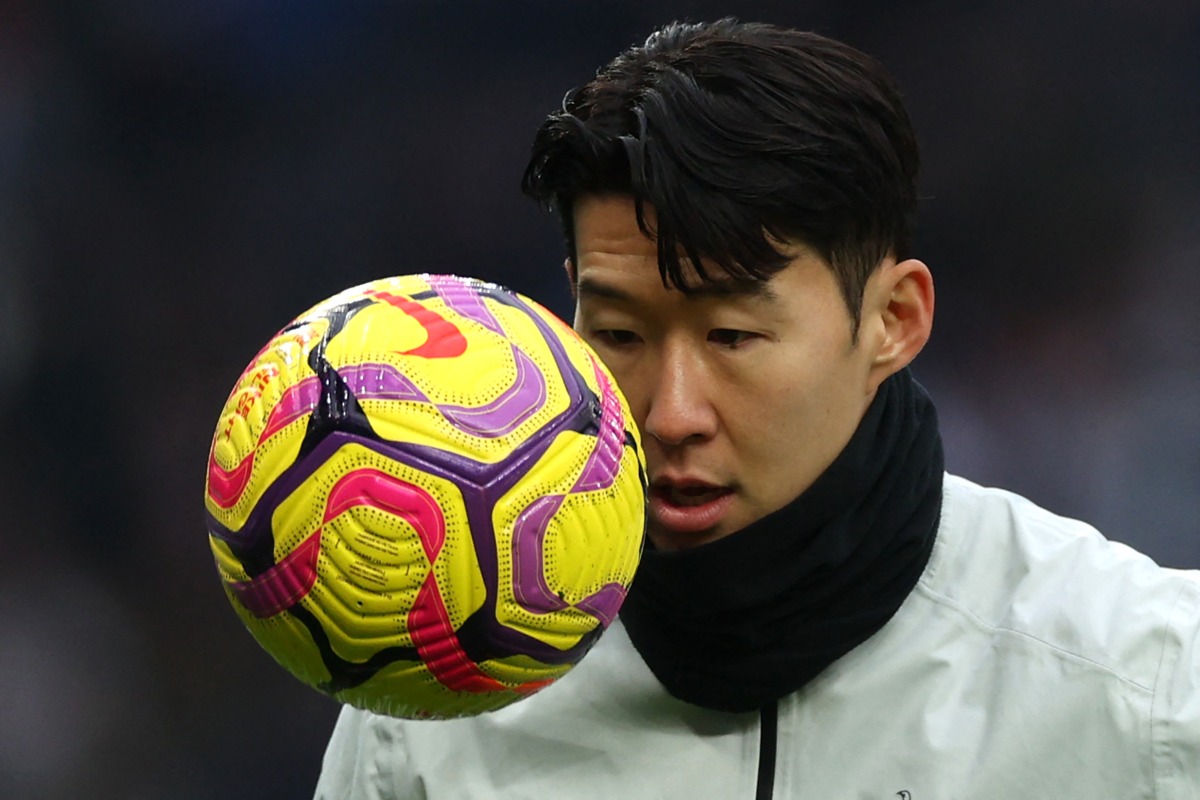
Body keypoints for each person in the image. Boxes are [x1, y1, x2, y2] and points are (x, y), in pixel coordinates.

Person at [314, 19, 1200, 798]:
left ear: (894, 321)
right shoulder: (437, 690)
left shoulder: (1146, 686)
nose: (671, 414)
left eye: (733, 336)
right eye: (618, 334)